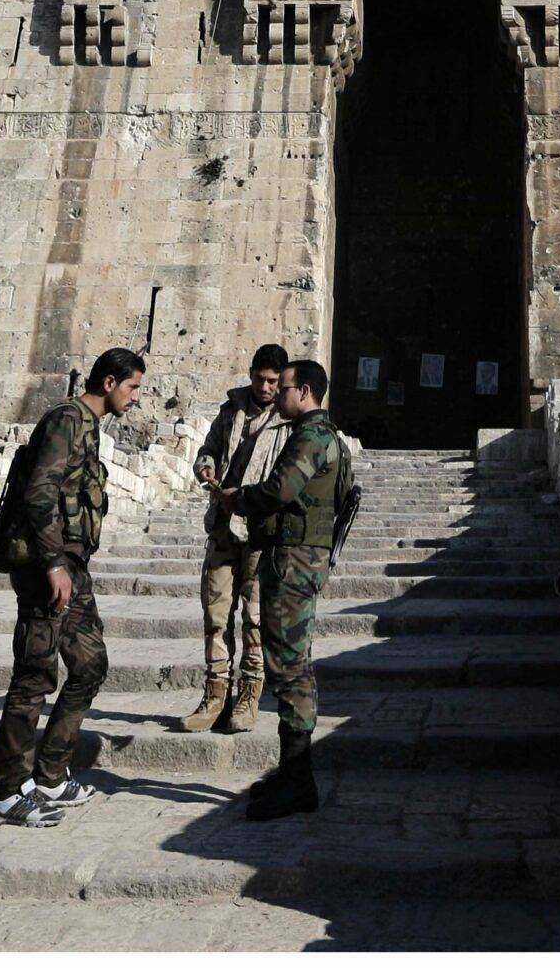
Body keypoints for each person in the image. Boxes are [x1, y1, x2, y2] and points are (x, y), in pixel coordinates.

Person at [0, 347, 142, 829]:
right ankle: (9, 793)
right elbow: (38, 492)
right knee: (34, 675)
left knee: (91, 664)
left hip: (71, 567)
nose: (137, 397)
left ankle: (51, 773)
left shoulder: (89, 429)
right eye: (134, 387)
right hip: (44, 566)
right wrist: (53, 561)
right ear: (110, 382)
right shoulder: (67, 420)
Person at [213, 356, 354, 821]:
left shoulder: (311, 437)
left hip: (293, 561)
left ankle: (298, 782)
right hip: (299, 558)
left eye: (287, 387)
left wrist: (239, 499)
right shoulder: (326, 437)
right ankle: (293, 773)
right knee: (288, 662)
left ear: (306, 393)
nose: (279, 395)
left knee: (289, 667)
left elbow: (280, 489)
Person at [181, 344, 289, 734]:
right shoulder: (231, 411)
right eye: (259, 379)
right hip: (224, 525)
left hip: (261, 532)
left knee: (255, 617)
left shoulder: (288, 419)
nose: (265, 387)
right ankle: (214, 694)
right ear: (250, 374)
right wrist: (206, 467)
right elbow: (207, 449)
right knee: (215, 611)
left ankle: (250, 694)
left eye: (273, 381)